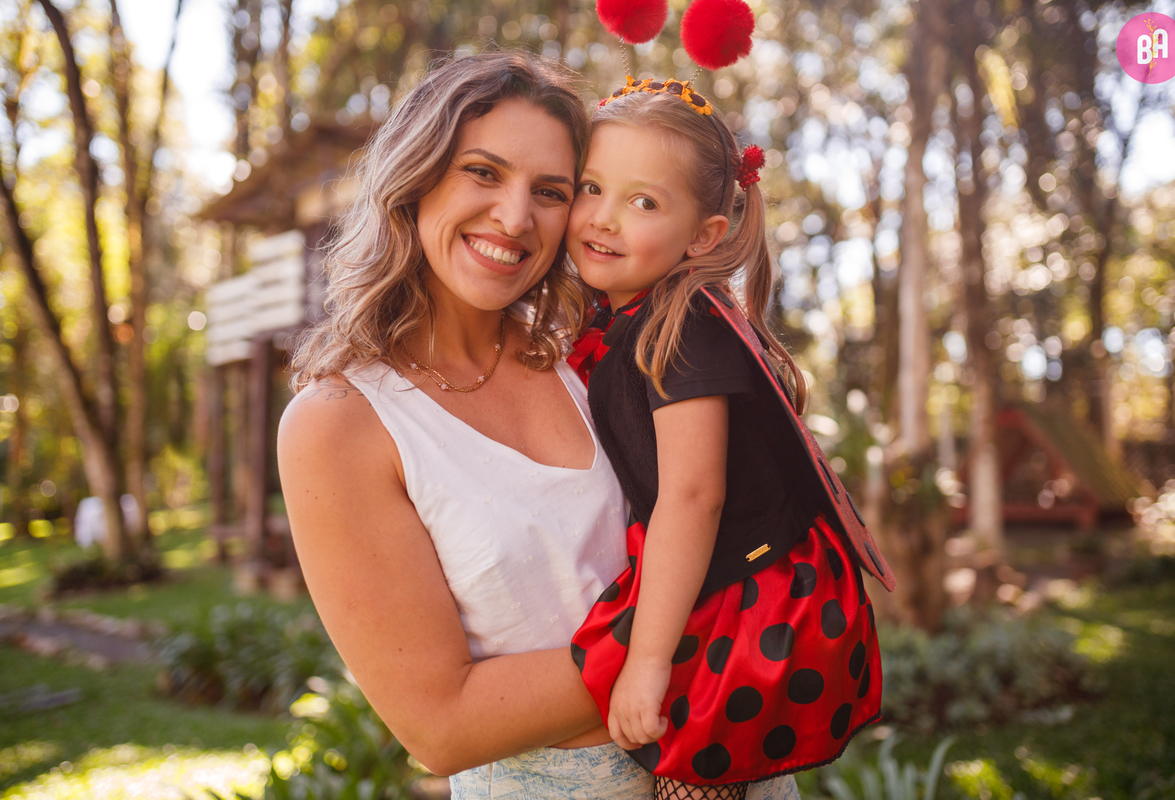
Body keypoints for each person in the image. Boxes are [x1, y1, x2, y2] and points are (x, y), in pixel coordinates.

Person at [277, 51, 799, 800]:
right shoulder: (342, 424)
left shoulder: (590, 348)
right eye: (483, 172)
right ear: (415, 176)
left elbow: (718, 497)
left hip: (731, 766)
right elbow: (440, 727)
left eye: (552, 191)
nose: (516, 218)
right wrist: (693, 625)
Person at [563, 81, 888, 800]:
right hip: (732, 569)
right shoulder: (637, 314)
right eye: (591, 187)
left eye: (643, 201)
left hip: (753, 593)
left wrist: (649, 661)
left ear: (704, 235)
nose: (603, 219)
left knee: (693, 765)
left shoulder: (684, 329)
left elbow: (692, 494)